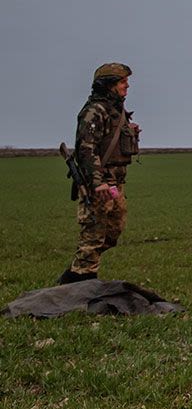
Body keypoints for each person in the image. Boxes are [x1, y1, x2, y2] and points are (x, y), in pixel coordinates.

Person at [60, 63, 140, 284]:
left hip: (116, 183)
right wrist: (97, 183)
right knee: (93, 234)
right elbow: (87, 149)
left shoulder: (116, 111)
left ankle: (76, 272)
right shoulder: (94, 111)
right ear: (109, 85)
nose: (127, 85)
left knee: (113, 230)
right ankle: (82, 281)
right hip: (100, 186)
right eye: (122, 81)